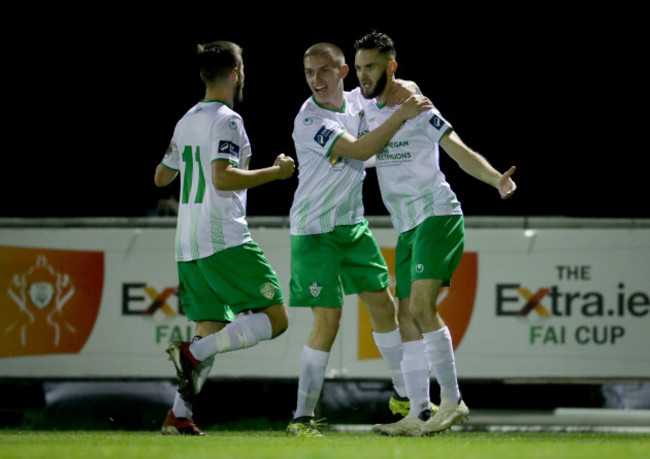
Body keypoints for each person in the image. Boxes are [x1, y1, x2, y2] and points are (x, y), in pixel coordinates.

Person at [352, 31, 517, 436]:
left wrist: (496, 179)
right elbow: (361, 150)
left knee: (422, 308)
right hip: (406, 226)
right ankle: (419, 412)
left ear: (391, 66)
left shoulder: (419, 107)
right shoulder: (366, 108)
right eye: (358, 68)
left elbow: (458, 150)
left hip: (436, 215)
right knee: (406, 315)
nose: (362, 75)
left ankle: (453, 401)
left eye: (370, 66)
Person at [286, 42, 434, 438]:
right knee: (328, 322)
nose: (316, 80)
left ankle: (403, 396)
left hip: (351, 226)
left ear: (343, 72)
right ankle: (302, 418)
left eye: (324, 71)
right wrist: (403, 112)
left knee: (383, 306)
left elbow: (394, 87)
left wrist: (406, 89)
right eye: (309, 73)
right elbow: (360, 149)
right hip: (314, 230)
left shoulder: (356, 103)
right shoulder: (309, 118)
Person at [154, 40, 295, 436]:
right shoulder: (228, 120)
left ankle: (178, 415)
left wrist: (183, 155)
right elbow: (222, 176)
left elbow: (161, 177)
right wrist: (275, 172)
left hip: (188, 244)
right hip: (223, 237)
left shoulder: (185, 121)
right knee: (277, 319)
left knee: (210, 329)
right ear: (235, 73)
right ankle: (192, 353)